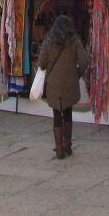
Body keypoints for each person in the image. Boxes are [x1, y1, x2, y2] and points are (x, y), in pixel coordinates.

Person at [37, 14, 87, 160]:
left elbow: (41, 63)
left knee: (57, 115)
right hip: (70, 81)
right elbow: (84, 61)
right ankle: (68, 144)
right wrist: (77, 73)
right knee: (68, 111)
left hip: (54, 83)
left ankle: (59, 148)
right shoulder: (75, 41)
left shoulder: (48, 41)